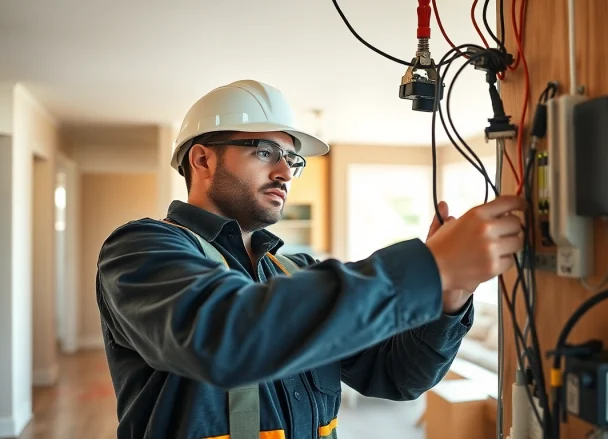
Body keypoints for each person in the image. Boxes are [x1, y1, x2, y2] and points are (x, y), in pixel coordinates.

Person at [95, 79, 525, 439]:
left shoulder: (296, 272)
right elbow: (224, 335)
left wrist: (451, 290)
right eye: (264, 151)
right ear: (203, 158)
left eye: (291, 159)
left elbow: (398, 375)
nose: (284, 172)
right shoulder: (141, 248)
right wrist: (429, 267)